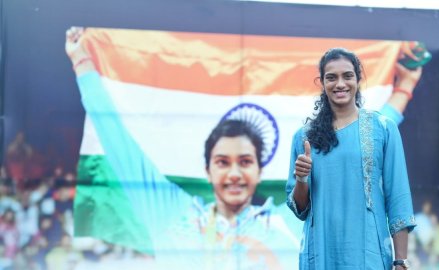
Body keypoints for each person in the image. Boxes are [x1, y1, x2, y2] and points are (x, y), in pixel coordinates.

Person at [65, 27, 300, 269]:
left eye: (245, 162)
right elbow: (119, 144)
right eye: (222, 162)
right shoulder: (173, 216)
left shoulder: (290, 223)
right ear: (207, 170)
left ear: (260, 171)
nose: (234, 174)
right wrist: (83, 64)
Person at [286, 48, 416, 269]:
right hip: (320, 252)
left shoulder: (383, 128)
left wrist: (400, 259)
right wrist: (301, 178)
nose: (340, 84)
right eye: (331, 77)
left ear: (358, 79)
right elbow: (300, 209)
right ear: (322, 83)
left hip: (367, 252)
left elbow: (398, 197)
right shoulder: (305, 137)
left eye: (347, 76)